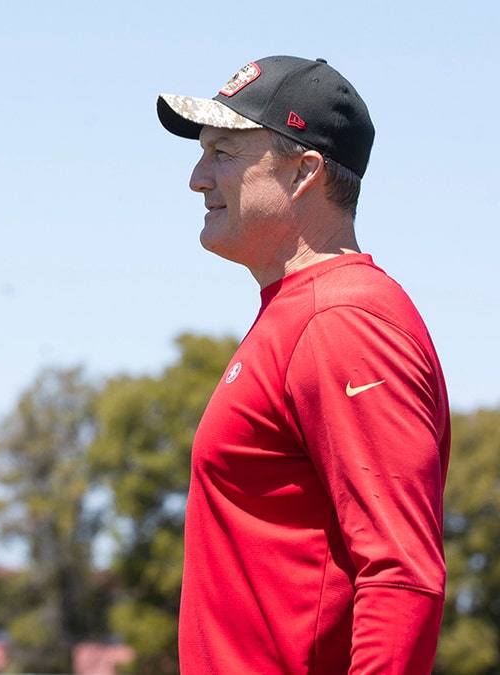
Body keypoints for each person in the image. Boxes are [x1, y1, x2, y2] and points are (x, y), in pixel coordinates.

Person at [156, 56, 450, 673]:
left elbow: (401, 577)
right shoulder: (302, 313)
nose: (196, 177)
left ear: (303, 172)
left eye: (225, 152)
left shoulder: (341, 321)